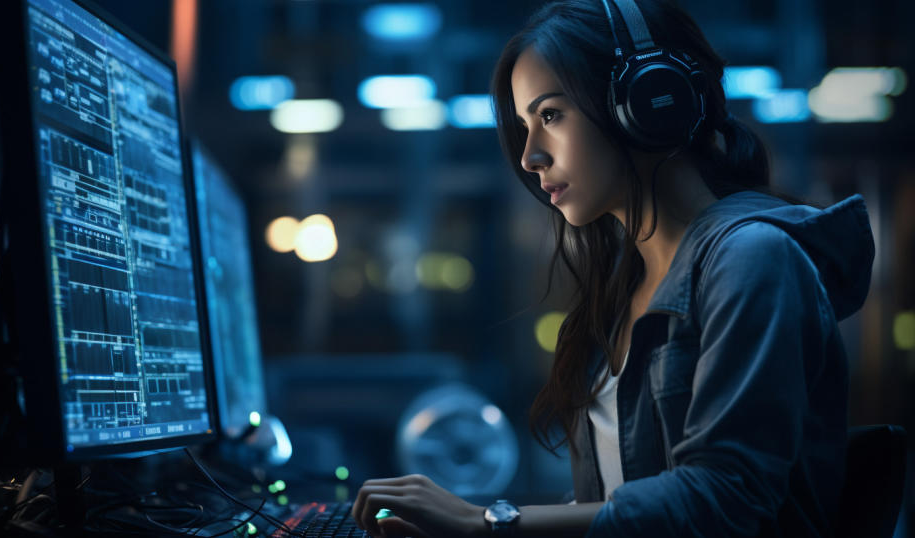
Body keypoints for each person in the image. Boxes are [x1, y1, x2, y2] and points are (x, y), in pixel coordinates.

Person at [350, 0, 875, 536]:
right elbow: (624, 496)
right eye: (525, 125)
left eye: (550, 115)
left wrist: (489, 524)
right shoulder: (628, 284)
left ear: (646, 101)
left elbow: (724, 499)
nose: (531, 156)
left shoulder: (753, 260)